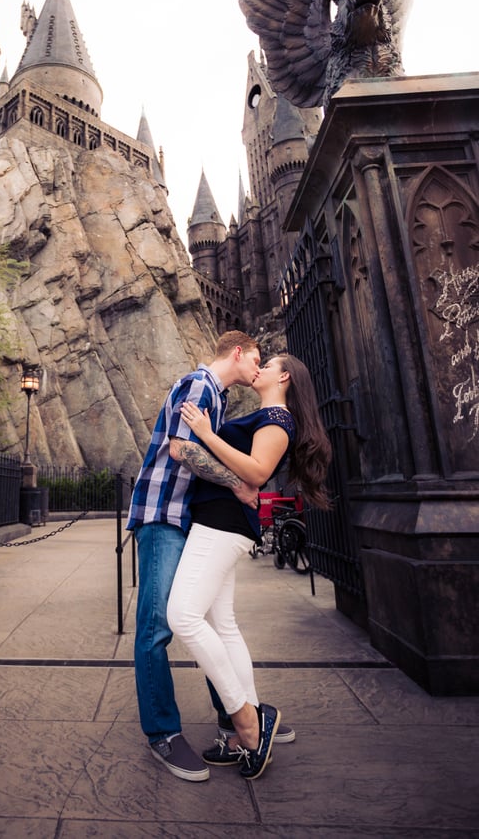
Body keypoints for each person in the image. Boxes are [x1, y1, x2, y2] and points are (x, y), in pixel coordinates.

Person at [166, 353, 332, 780]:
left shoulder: (278, 418)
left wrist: (205, 433)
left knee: (182, 616)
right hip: (220, 521)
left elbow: (257, 473)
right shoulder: (267, 414)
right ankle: (251, 724)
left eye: (269, 362)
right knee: (223, 625)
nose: (260, 369)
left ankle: (246, 722)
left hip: (222, 524)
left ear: (285, 376)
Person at [126, 330, 262, 782]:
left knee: (200, 620)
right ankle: (162, 733)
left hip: (186, 520)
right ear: (237, 352)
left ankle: (237, 716)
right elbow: (181, 449)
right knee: (156, 627)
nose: (258, 370)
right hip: (162, 516)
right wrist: (237, 484)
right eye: (255, 359)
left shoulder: (217, 398)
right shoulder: (201, 384)